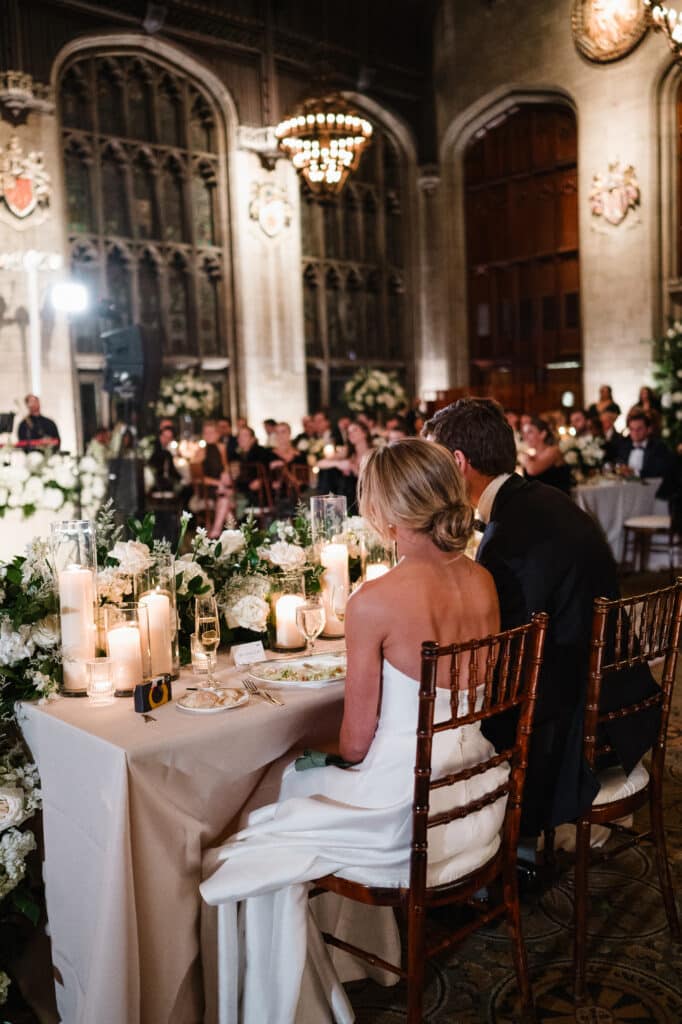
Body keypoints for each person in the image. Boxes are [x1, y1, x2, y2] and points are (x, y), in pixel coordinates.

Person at [201, 438, 509, 1023]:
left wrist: (305, 750)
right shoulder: (483, 580)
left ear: (387, 513)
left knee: (267, 813)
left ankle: (296, 999)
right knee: (292, 794)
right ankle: (359, 959)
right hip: (473, 797)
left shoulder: (375, 601)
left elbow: (353, 744)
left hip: (407, 818)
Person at [422, 397, 661, 837]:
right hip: (619, 693)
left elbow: (510, 655)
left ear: (458, 462)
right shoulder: (542, 500)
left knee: (443, 729)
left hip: (583, 727)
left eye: (432, 462)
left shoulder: (510, 532)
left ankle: (472, 846)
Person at [614, 408, 675, 480]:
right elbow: (619, 462)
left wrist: (635, 472)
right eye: (632, 429)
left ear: (648, 429)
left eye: (639, 429)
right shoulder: (624, 446)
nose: (635, 433)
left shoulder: (658, 447)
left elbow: (659, 471)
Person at [518, 416, 572, 494]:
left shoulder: (553, 451)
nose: (525, 437)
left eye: (530, 432)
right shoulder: (533, 456)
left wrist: (525, 457)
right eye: (524, 433)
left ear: (543, 434)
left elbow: (532, 470)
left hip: (556, 500)